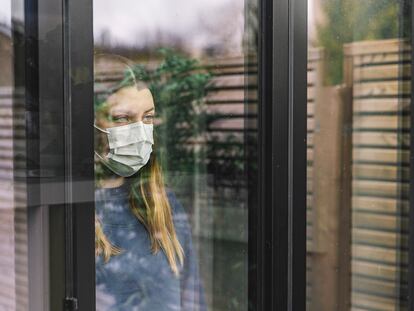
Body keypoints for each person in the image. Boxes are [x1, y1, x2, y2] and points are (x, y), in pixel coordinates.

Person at [93, 54, 206, 311]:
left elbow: (192, 297)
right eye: (122, 118)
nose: (140, 130)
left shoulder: (163, 202)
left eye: (148, 117)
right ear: (93, 123)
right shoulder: (77, 209)